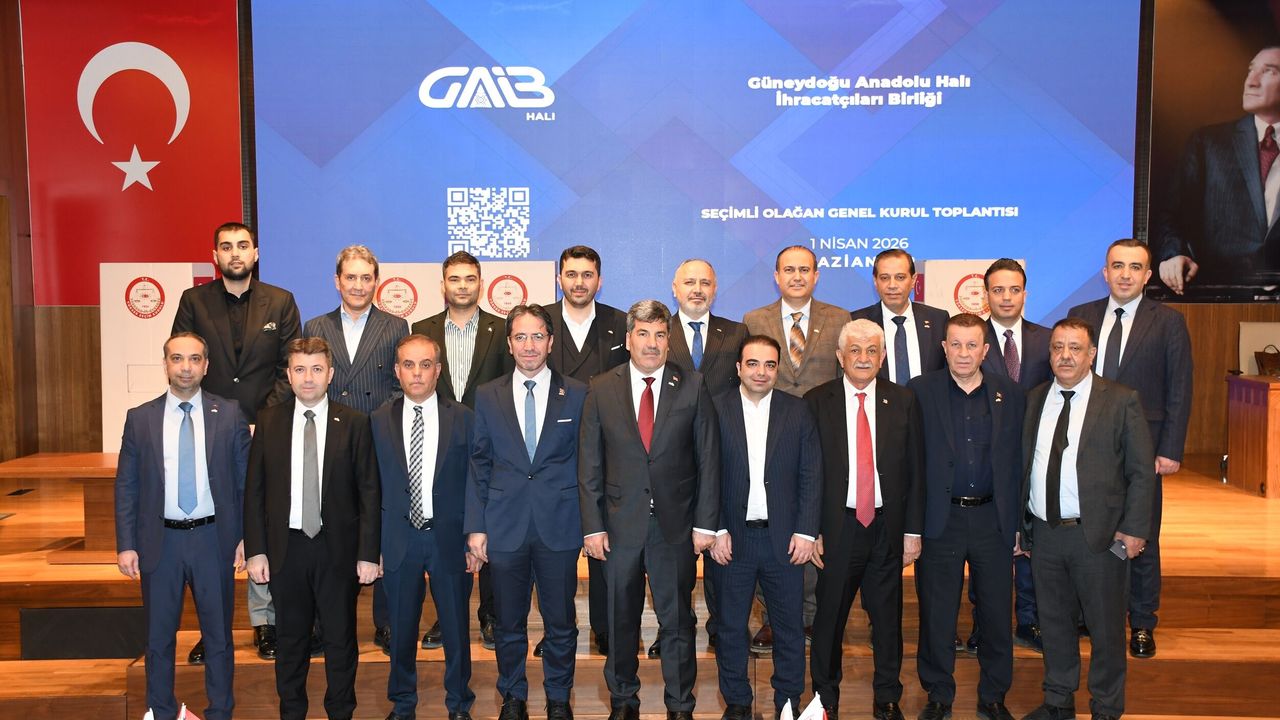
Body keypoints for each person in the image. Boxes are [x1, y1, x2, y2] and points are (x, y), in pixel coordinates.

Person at [578, 300, 720, 720]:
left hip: (675, 529)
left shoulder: (692, 385)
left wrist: (706, 524)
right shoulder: (601, 387)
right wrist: (592, 526)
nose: (652, 343)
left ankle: (680, 705)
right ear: (628, 339)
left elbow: (708, 458)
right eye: (643, 334)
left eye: (660, 334)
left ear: (669, 340)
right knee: (620, 620)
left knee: (677, 622)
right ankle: (624, 701)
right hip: (618, 528)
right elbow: (589, 463)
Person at [172, 221, 300, 663]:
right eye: (226, 247)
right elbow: (187, 361)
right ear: (215, 256)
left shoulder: (281, 301)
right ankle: (214, 630)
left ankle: (265, 622)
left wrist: (263, 419)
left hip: (267, 430)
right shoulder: (193, 301)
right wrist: (224, 419)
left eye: (243, 245)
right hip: (210, 430)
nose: (235, 253)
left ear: (255, 253)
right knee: (216, 527)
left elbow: (289, 366)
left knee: (263, 521)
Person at [1019, 318, 1156, 720]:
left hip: (1098, 536)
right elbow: (1024, 466)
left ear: (1091, 354)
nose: (1065, 356)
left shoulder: (1120, 400)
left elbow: (1141, 471)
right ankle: (1058, 702)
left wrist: (1134, 528)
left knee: (1106, 629)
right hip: (1045, 533)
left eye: (1075, 348)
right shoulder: (1035, 399)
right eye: (1057, 347)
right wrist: (1020, 526)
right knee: (1054, 625)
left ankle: (1106, 708)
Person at [115, 332, 251, 720]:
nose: (186, 367)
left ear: (206, 366)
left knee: (218, 637)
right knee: (158, 638)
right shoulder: (140, 419)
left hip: (213, 540)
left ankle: (220, 712)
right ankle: (161, 712)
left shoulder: (230, 414)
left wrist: (247, 536)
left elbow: (245, 483)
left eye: (194, 359)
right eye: (177, 359)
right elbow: (127, 485)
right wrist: (126, 543)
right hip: (161, 543)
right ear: (165, 365)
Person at [243, 337, 381, 720]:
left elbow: (369, 492)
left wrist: (368, 553)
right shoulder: (268, 421)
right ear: (288, 374)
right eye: (300, 369)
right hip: (286, 549)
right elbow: (254, 491)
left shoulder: (354, 422)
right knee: (290, 641)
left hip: (337, 550)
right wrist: (256, 550)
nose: (308, 378)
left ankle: (341, 712)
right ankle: (292, 713)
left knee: (340, 640)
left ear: (330, 374)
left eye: (317, 369)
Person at [1068, 239, 1192, 658]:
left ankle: (1141, 622)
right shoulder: (1081, 315)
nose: (1125, 274)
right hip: (1087, 443)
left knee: (1142, 533)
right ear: (1105, 272)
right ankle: (1087, 614)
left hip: (1145, 447)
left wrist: (1170, 447)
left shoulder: (1169, 322)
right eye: (1117, 266)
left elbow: (1180, 388)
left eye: (1135, 267)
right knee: (1088, 530)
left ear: (1148, 275)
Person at [465, 304, 588, 720]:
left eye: (537, 336)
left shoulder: (577, 393)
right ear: (509, 343)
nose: (529, 345)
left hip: (560, 525)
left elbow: (587, 462)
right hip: (504, 526)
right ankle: (513, 697)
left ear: (550, 342)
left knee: (561, 622)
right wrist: (476, 527)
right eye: (521, 337)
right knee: (508, 622)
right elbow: (479, 462)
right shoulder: (488, 395)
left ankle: (558, 699)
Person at [907, 314, 1025, 720]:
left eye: (971, 345)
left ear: (985, 350)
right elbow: (910, 462)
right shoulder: (919, 391)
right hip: (941, 520)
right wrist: (911, 527)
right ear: (944, 347)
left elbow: (1018, 462)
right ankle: (938, 694)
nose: (963, 353)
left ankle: (993, 695)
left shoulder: (1010, 393)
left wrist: (1017, 524)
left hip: (993, 519)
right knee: (937, 613)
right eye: (955, 344)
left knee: (995, 613)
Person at [807, 319, 924, 720]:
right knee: (829, 619)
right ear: (840, 357)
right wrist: (812, 529)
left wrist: (912, 531)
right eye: (854, 350)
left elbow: (916, 470)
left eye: (871, 350)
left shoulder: (903, 400)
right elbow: (808, 474)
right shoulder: (815, 401)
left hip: (887, 527)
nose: (863, 358)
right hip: (837, 528)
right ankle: (825, 698)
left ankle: (887, 696)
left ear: (883, 356)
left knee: (888, 620)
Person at [302, 244, 409, 653]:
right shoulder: (315, 325)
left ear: (376, 282)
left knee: (379, 527)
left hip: (378, 439)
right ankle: (325, 623)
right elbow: (310, 385)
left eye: (366, 277)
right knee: (328, 527)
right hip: (329, 442)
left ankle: (386, 622)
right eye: (351, 277)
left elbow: (400, 387)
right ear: (337, 281)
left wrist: (375, 426)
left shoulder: (395, 326)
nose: (359, 285)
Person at [708, 334, 820, 720]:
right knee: (730, 627)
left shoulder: (798, 410)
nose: (761, 372)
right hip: (731, 541)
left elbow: (811, 473)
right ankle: (737, 702)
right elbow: (704, 474)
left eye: (770, 365)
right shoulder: (715, 408)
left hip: (784, 541)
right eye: (753, 364)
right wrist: (715, 529)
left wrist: (806, 532)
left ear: (778, 369)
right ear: (739, 367)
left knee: (789, 627)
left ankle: (788, 700)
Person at [742, 244, 847, 652]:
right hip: (770, 438)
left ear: (817, 275)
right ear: (776, 276)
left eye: (805, 269)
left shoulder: (839, 318)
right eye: (789, 269)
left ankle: (811, 616)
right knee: (772, 527)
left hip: (822, 437)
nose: (797, 276)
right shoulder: (755, 319)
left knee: (813, 525)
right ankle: (773, 618)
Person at [372, 334, 479, 720]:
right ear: (397, 371)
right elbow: (371, 488)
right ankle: (402, 705)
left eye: (425, 364)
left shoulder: (464, 418)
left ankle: (459, 704)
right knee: (400, 631)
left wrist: (474, 536)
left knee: (456, 629)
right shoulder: (378, 420)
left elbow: (476, 481)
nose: (417, 373)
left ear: (438, 370)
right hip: (398, 541)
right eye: (408, 365)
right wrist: (373, 546)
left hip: (449, 540)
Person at [411, 250, 513, 650]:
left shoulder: (500, 329)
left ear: (481, 284)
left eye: (470, 279)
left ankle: (490, 615)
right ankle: (447, 615)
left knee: (489, 527)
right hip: (437, 446)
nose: (463, 286)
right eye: (455, 279)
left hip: (490, 443)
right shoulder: (422, 328)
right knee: (447, 528)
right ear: (443, 285)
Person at [545, 245, 630, 656]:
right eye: (571, 274)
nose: (579, 282)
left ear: (600, 279)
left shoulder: (620, 323)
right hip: (553, 452)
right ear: (559, 278)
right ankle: (557, 629)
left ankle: (606, 627)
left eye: (587, 274)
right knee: (556, 549)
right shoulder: (540, 322)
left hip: (609, 451)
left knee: (604, 544)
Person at [969, 259, 1052, 654]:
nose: (1006, 297)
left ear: (1025, 294)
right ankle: (983, 623)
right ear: (986, 295)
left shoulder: (1047, 339)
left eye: (1014, 289)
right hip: (984, 461)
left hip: (1035, 459)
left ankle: (1030, 619)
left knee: (1030, 543)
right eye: (998, 290)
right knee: (986, 549)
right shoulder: (970, 338)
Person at [668, 257, 748, 652]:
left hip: (725, 453)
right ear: (675, 288)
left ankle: (721, 628)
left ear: (715, 289)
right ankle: (675, 628)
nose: (697, 290)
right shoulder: (658, 332)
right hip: (673, 457)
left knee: (721, 545)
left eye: (705, 283)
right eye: (689, 282)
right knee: (675, 554)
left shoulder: (736, 332)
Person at [1155, 46, 1280, 294]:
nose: (1251, 82)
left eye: (1269, 71)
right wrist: (1174, 254)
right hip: (1218, 294)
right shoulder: (1208, 143)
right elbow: (1171, 214)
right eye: (1251, 70)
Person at [850, 249, 949, 385]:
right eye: (884, 278)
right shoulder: (856, 322)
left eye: (900, 277)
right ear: (875, 281)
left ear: (913, 280)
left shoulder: (938, 319)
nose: (892, 285)